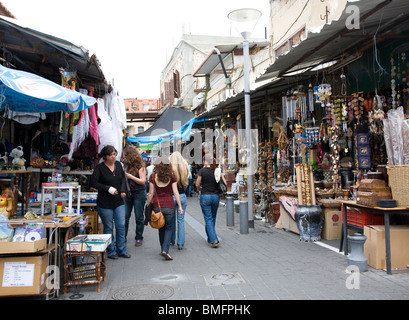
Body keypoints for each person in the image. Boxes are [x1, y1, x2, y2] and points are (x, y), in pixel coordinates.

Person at [90, 145, 130, 259]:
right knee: (108, 227)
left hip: (118, 201)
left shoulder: (118, 164)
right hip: (105, 203)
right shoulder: (99, 168)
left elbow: (123, 178)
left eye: (114, 154)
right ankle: (111, 251)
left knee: (121, 225)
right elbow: (93, 183)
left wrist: (123, 190)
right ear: (105, 156)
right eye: (110, 155)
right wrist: (107, 188)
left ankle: (122, 250)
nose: (113, 157)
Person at [146, 158, 183, 260]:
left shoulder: (152, 177)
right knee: (169, 228)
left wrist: (148, 205)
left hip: (157, 206)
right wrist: (179, 206)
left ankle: (163, 248)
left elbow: (150, 193)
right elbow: (175, 192)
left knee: (160, 226)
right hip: (169, 205)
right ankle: (165, 250)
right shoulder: (172, 176)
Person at [195, 153, 226, 248]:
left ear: (205, 161)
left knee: (208, 219)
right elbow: (224, 182)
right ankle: (210, 237)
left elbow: (197, 184)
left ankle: (213, 239)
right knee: (212, 218)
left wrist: (200, 187)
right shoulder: (217, 170)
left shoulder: (202, 171)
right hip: (215, 197)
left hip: (205, 196)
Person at [123, 145, 147, 247]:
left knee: (139, 217)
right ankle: (122, 237)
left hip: (139, 193)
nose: (124, 157)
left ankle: (139, 238)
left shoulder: (140, 166)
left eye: (126, 155)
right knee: (125, 217)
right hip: (128, 193)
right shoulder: (125, 166)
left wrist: (130, 176)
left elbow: (143, 181)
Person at [169, 151, 189, 250]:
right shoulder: (185, 168)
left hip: (172, 196)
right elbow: (186, 184)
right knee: (181, 221)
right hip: (182, 196)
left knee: (171, 220)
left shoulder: (170, 170)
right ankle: (180, 243)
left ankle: (172, 240)